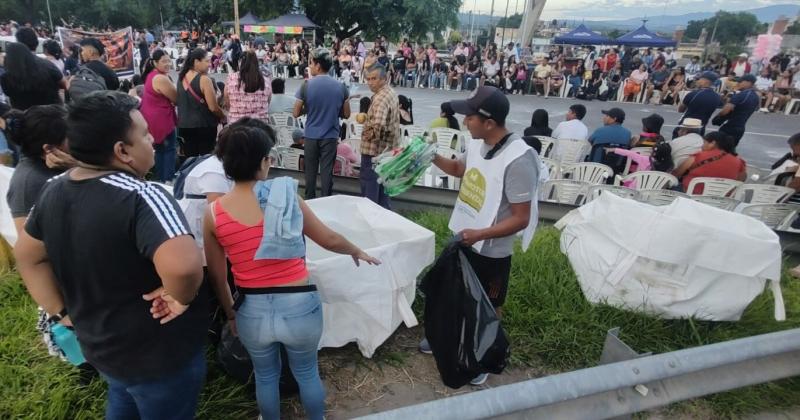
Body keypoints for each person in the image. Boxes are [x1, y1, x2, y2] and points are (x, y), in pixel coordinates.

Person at [14, 92, 208, 419]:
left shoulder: (55, 188)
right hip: (157, 355)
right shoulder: (143, 196)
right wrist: (180, 298)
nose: (152, 139)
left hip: (101, 346)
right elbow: (185, 267)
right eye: (145, 134)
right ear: (122, 151)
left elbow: (28, 256)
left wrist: (61, 312)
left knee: (123, 399)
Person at [202, 120, 379, 420]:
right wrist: (355, 250)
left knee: (266, 376)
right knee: (307, 373)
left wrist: (231, 313)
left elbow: (218, 277)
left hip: (251, 310)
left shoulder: (213, 214)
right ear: (263, 163)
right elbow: (329, 239)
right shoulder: (286, 198)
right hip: (299, 306)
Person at [419, 86, 539, 386]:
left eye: (469, 116)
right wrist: (431, 155)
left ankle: (482, 355)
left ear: (489, 122)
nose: (464, 121)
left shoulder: (519, 159)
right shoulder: (476, 142)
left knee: (487, 305)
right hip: (465, 235)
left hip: (492, 250)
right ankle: (446, 339)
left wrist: (481, 233)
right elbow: (460, 168)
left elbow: (521, 218)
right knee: (455, 291)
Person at [5, 105, 74, 234]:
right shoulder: (28, 183)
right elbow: (27, 247)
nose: (78, 138)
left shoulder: (69, 160)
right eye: (71, 135)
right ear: (49, 148)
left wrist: (77, 166)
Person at [293, 48, 350, 199]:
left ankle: (310, 201)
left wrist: (309, 108)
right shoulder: (341, 87)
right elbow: (347, 114)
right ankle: (326, 200)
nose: (309, 66)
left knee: (310, 173)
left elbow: (296, 112)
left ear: (318, 65)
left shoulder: (306, 85)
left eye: (311, 63)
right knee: (327, 173)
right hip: (330, 136)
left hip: (311, 135)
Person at [360, 63, 400, 209]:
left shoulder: (380, 99)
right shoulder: (390, 92)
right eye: (368, 79)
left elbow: (378, 126)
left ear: (384, 78)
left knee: (370, 199)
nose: (370, 82)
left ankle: (370, 226)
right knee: (383, 196)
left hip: (374, 154)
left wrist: (366, 132)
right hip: (386, 153)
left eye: (374, 79)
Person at [177, 48, 225, 157]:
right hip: (204, 126)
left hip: (184, 125)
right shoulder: (204, 79)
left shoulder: (181, 78)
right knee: (205, 159)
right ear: (196, 62)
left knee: (190, 160)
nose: (210, 64)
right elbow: (213, 107)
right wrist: (223, 116)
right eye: (207, 61)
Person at [140, 49, 178, 183]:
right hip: (162, 119)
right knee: (169, 150)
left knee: (160, 150)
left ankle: (160, 179)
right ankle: (168, 179)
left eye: (169, 61)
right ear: (155, 63)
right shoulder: (161, 78)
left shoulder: (151, 74)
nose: (168, 64)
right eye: (164, 61)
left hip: (151, 118)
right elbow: (176, 98)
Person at [673, 131, 747, 193]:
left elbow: (677, 173)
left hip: (690, 194)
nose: (702, 146)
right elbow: (740, 180)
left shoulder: (698, 156)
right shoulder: (739, 161)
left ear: (712, 143)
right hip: (719, 199)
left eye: (704, 142)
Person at [0, 42, 64, 110]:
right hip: (52, 111)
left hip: (25, 114)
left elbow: (8, 94)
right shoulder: (45, 66)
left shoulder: (6, 77)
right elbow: (62, 83)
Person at [224, 51, 271, 124]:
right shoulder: (266, 80)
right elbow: (268, 102)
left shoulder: (231, 78)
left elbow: (227, 103)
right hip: (260, 126)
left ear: (240, 62)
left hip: (236, 125)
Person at [714, 74, 759, 146]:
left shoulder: (740, 95)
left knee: (719, 149)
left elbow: (726, 110)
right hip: (741, 127)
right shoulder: (756, 97)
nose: (738, 83)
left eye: (740, 82)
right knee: (731, 150)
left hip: (730, 127)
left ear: (749, 83)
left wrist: (718, 116)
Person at [675, 71, 722, 137]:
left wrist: (680, 97)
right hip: (701, 128)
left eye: (699, 79)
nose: (697, 81)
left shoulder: (693, 94)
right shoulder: (717, 97)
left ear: (705, 81)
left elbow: (680, 109)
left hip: (685, 127)